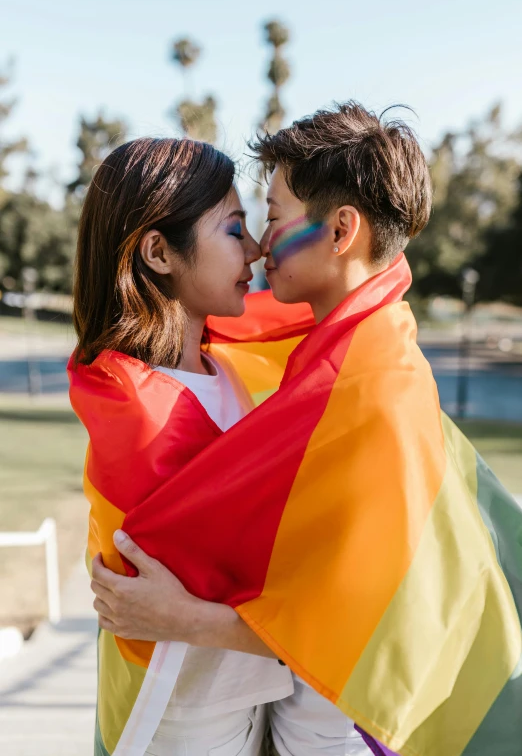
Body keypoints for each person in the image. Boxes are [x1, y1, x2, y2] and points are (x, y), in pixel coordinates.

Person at [90, 103, 522, 756]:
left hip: (344, 725)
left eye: (271, 217)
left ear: (341, 230)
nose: (261, 246)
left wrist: (183, 617)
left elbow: (368, 616)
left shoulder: (373, 384)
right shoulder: (337, 357)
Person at [69, 136, 295, 756]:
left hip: (260, 695)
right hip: (180, 714)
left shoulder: (233, 371)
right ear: (159, 251)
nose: (254, 250)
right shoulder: (136, 409)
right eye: (233, 228)